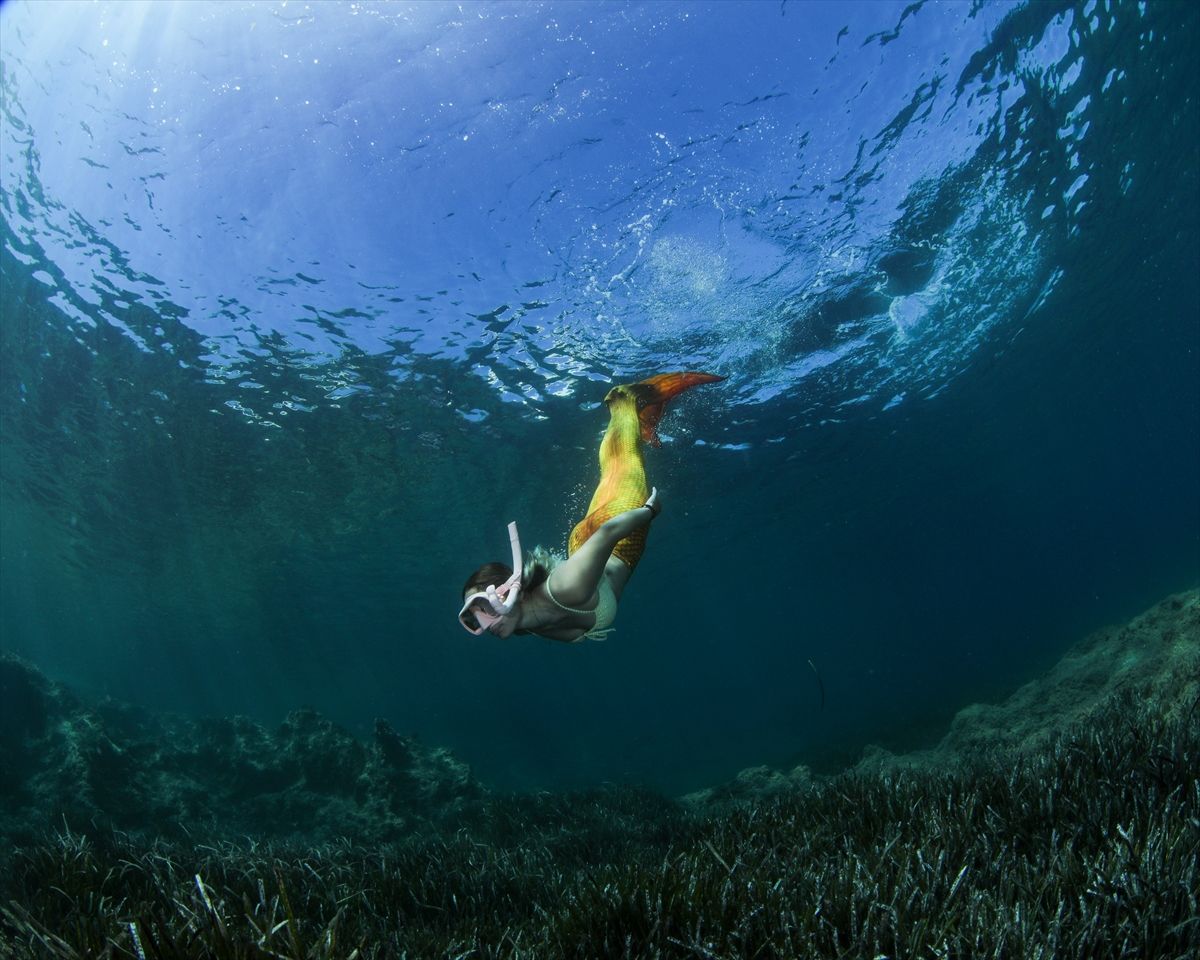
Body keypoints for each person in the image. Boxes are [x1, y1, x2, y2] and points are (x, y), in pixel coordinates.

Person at [457, 371, 723, 643]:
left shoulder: (564, 589)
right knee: (612, 471)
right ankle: (631, 416)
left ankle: (623, 400)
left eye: (483, 606)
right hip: (583, 545)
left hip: (620, 537)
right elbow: (573, 633)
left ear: (511, 592)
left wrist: (649, 512)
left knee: (623, 463)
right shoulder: (527, 625)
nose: (483, 622)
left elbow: (608, 534)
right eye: (472, 617)